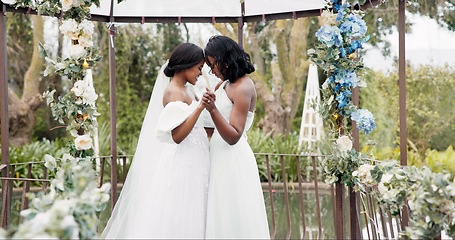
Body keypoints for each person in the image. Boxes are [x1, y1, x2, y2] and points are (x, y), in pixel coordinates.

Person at [102, 43, 210, 239]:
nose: (200, 73)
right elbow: (177, 136)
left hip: (196, 160)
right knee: (183, 212)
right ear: (187, 65)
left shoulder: (187, 89)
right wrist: (200, 107)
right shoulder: (174, 92)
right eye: (199, 68)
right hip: (183, 162)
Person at [202, 35, 270, 239]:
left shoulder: (244, 87)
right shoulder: (221, 86)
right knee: (219, 215)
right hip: (217, 156)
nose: (211, 71)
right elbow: (212, 128)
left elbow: (233, 136)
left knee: (234, 215)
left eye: (212, 65)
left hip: (233, 160)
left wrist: (212, 109)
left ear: (225, 59)